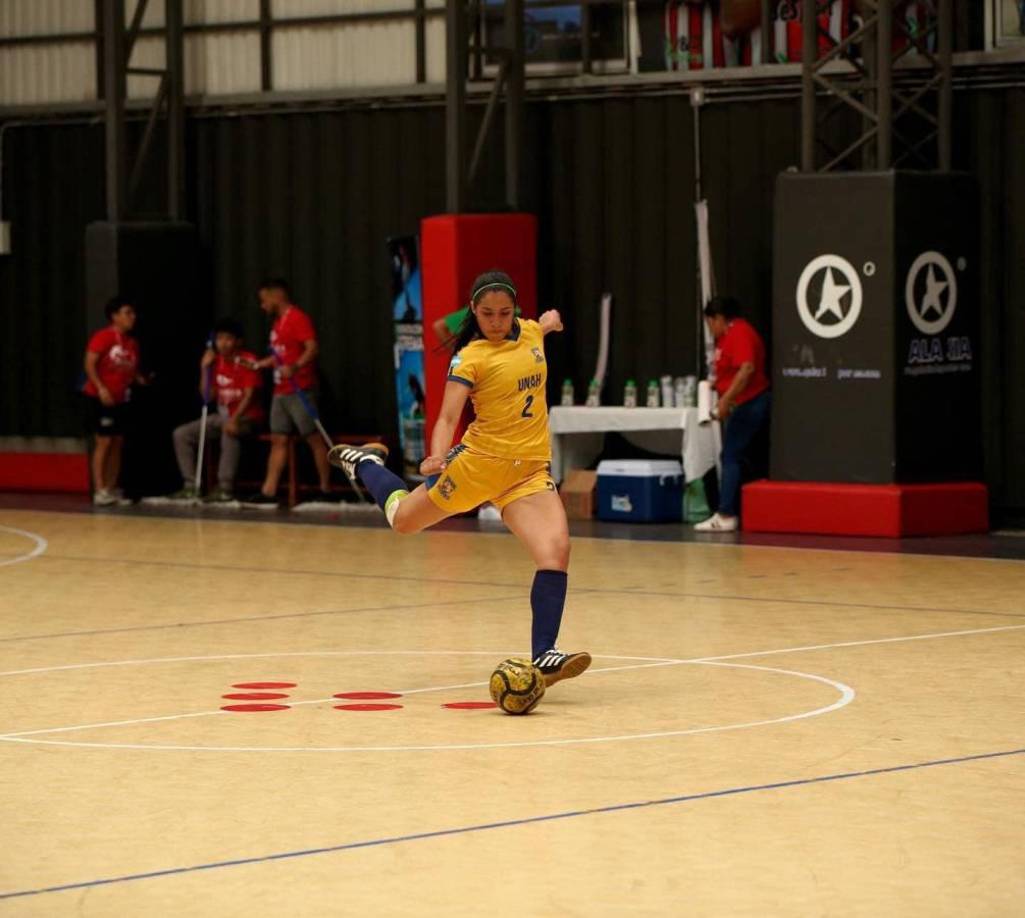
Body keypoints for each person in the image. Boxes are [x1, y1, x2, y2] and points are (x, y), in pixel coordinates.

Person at [328, 271, 591, 688]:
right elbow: (449, 415)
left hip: (527, 473)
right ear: (473, 310)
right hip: (475, 468)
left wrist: (551, 321)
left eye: (505, 313)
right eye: (487, 314)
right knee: (402, 521)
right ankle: (365, 464)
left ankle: (544, 655)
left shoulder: (528, 332)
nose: (496, 321)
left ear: (515, 310)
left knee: (555, 552)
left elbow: (540, 325)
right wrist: (435, 455)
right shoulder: (470, 356)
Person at [241, 278, 332, 506]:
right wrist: (259, 364)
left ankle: (325, 488)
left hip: (299, 388)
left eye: (264, 300)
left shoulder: (297, 318)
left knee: (313, 438)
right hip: (280, 390)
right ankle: (268, 491)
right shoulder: (277, 324)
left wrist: (296, 367)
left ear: (276, 296)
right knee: (278, 439)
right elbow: (280, 356)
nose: (263, 306)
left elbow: (312, 348)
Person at [694, 295, 771, 533]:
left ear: (718, 318)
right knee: (738, 457)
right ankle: (736, 509)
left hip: (750, 403)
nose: (710, 329)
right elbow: (731, 371)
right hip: (742, 403)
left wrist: (725, 401)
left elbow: (747, 368)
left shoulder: (739, 333)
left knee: (730, 456)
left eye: (709, 324)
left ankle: (726, 513)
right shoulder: (727, 337)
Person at [167, 318, 263, 502]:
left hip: (247, 417)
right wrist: (204, 368)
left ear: (238, 341)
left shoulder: (247, 360)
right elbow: (207, 397)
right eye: (219, 339)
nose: (223, 343)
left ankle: (225, 487)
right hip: (221, 416)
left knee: (229, 428)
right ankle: (190, 485)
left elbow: (249, 395)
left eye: (228, 339)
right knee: (181, 434)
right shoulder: (215, 362)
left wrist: (235, 419)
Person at [82, 296, 146, 506]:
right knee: (104, 441)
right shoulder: (103, 337)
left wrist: (140, 379)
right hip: (100, 397)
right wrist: (101, 388)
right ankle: (99, 490)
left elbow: (130, 369)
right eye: (127, 313)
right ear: (114, 316)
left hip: (121, 399)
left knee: (118, 442)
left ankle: (111, 487)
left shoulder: (132, 343)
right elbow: (90, 364)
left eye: (133, 313)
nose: (132, 317)